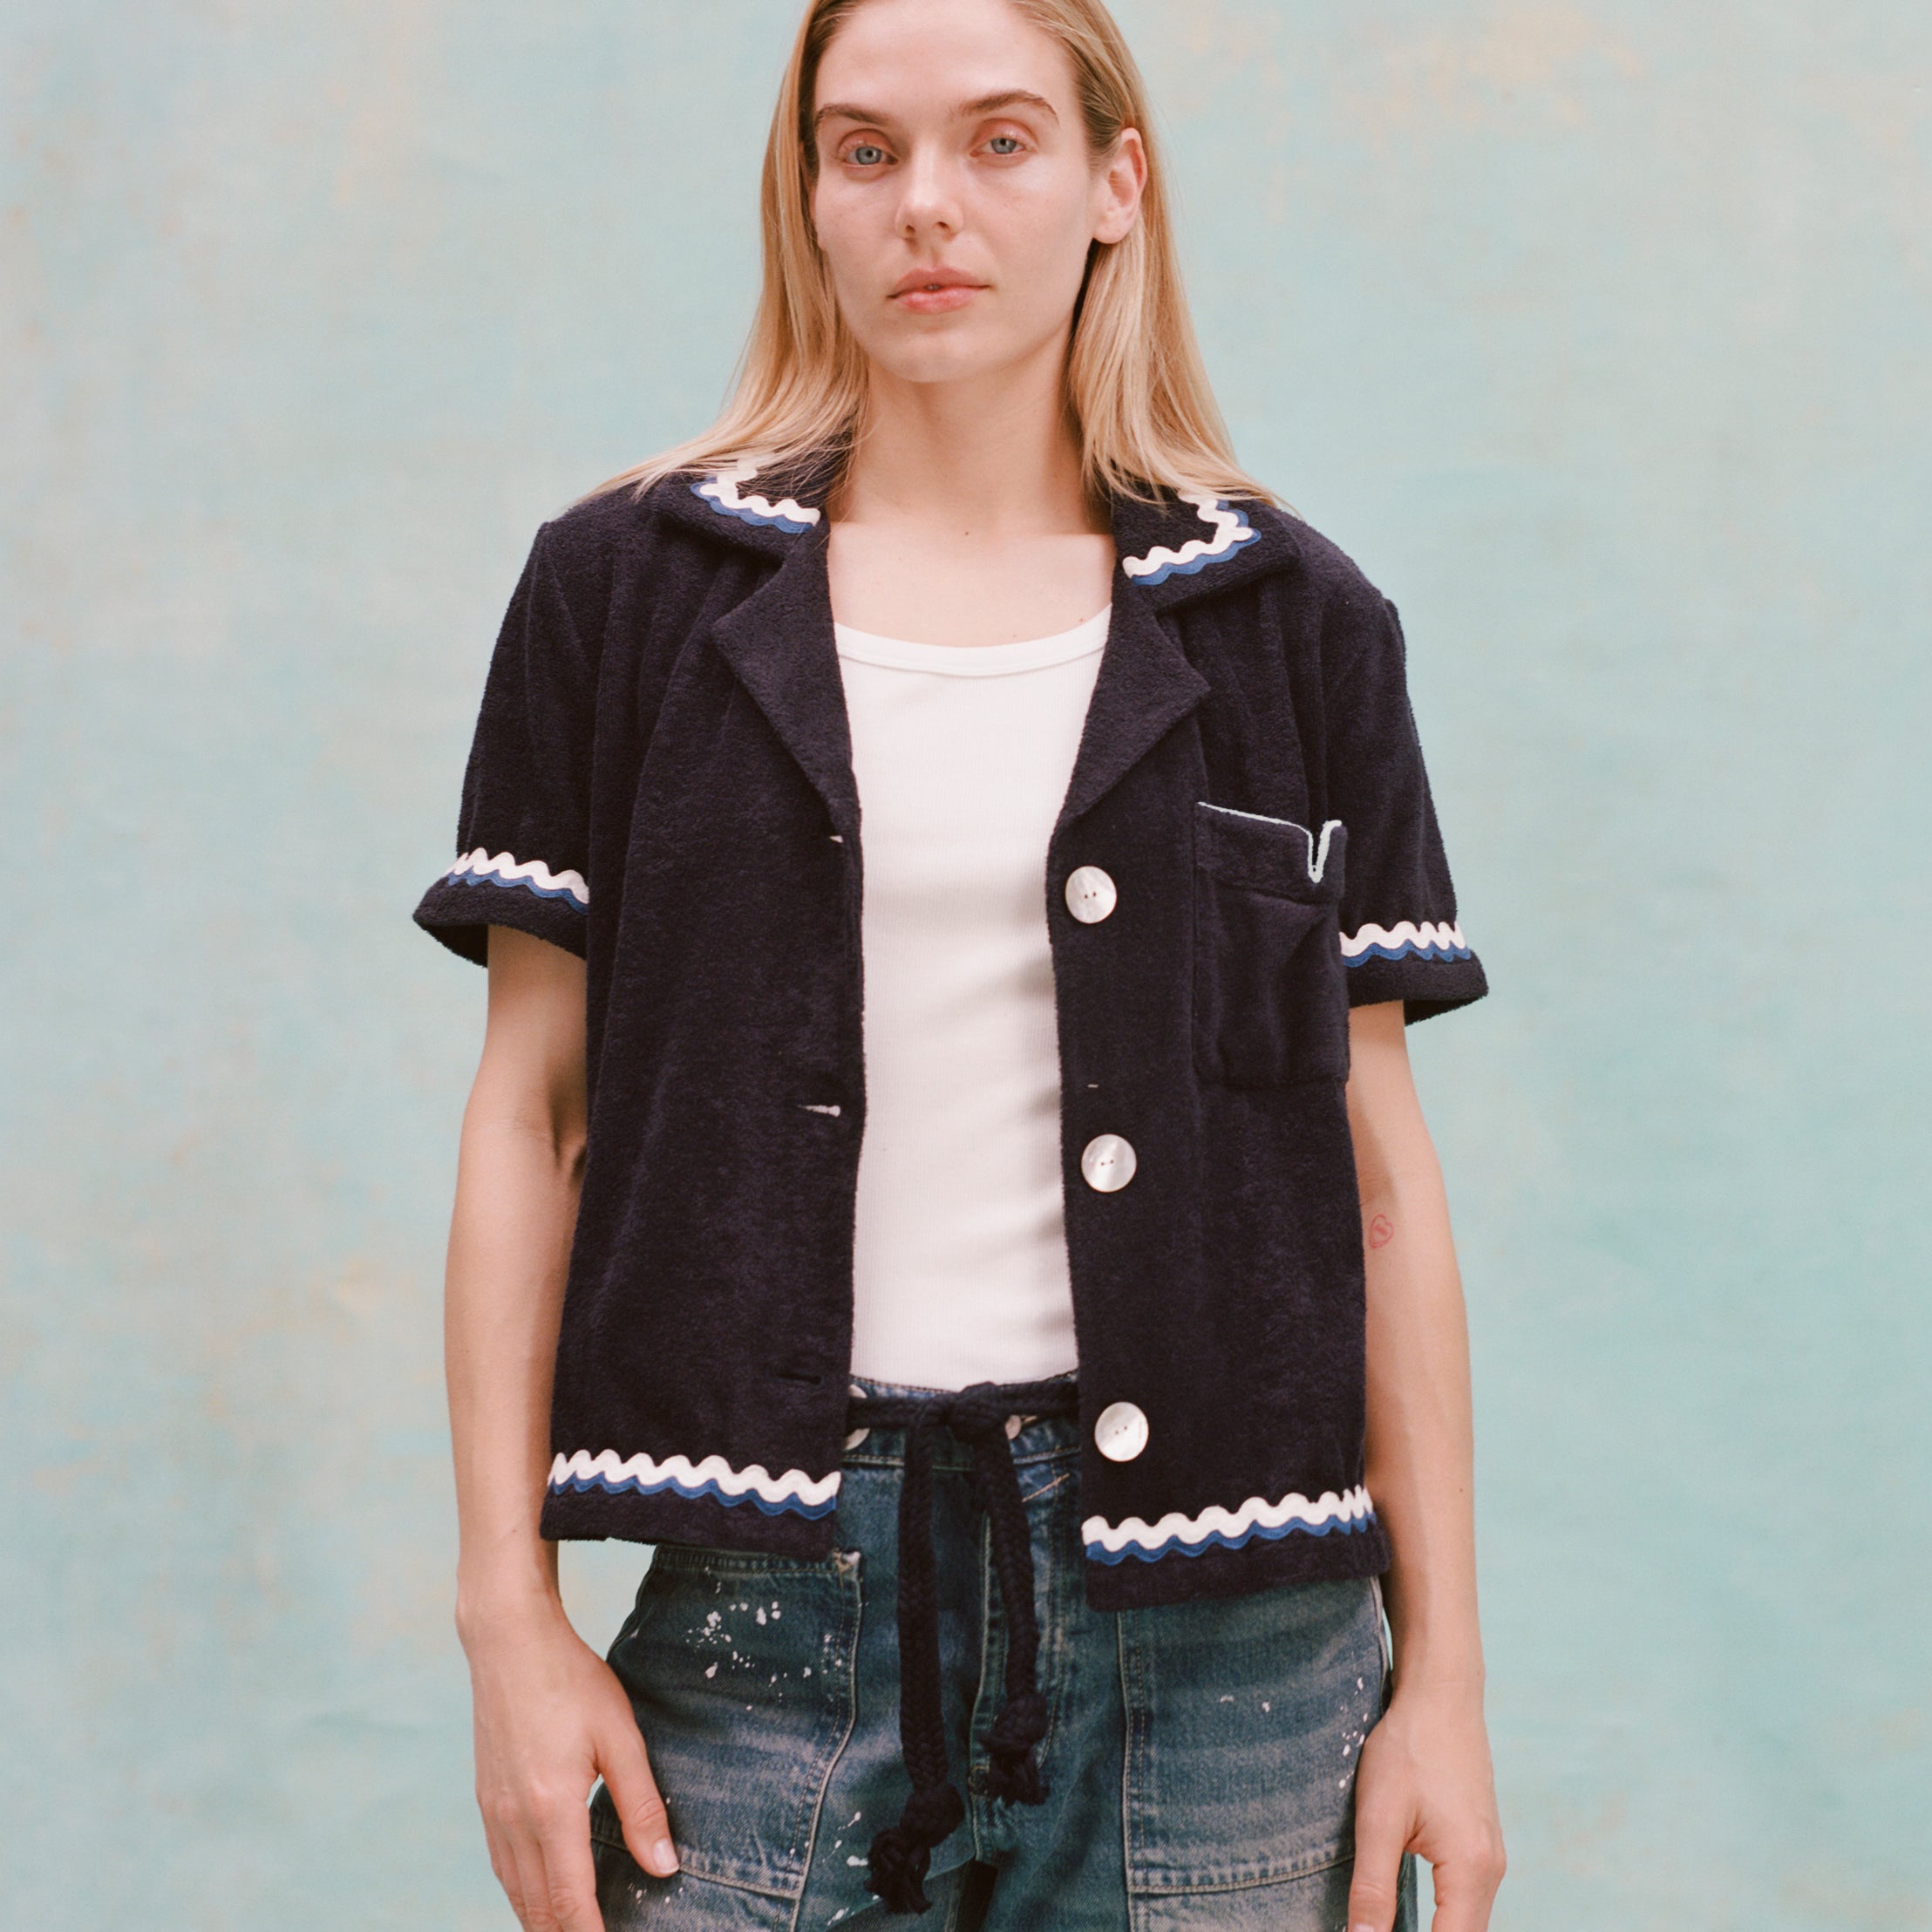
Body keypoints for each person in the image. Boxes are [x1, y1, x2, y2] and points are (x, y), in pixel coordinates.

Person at [413, 1, 1507, 1928]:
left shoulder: (1290, 622)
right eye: (867, 150)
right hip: (770, 1622)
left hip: (1236, 1660)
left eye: (999, 142)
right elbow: (531, 1113)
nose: (929, 205)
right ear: (809, 199)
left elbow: (1384, 1185)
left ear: (1113, 182)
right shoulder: (625, 599)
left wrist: (1448, 1687)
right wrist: (507, 1616)